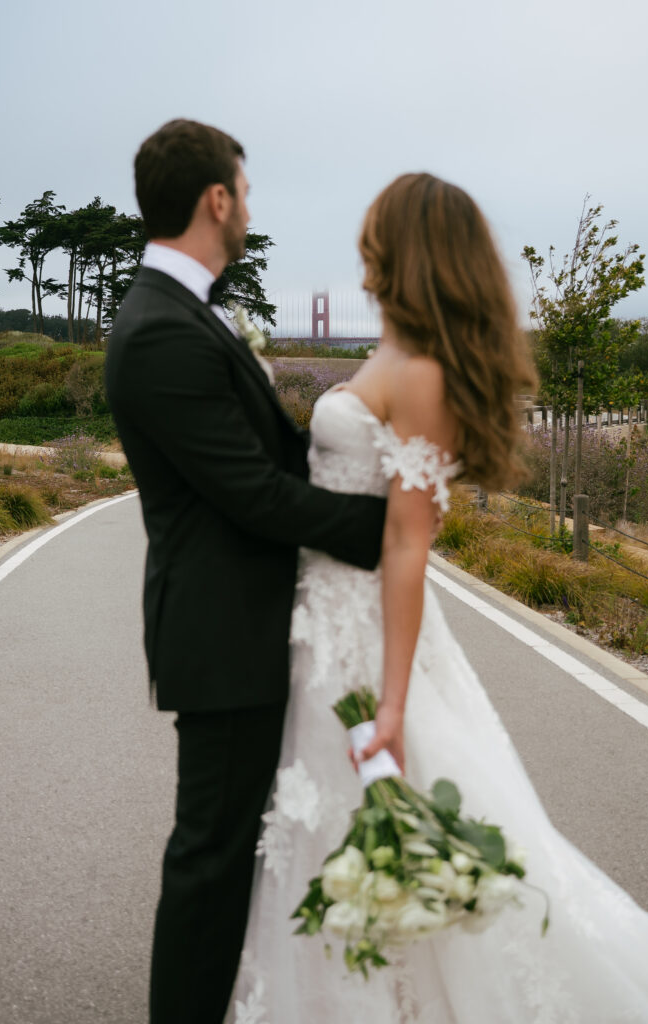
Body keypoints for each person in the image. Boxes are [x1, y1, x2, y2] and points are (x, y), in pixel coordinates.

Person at [225, 174, 648, 1022]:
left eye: (373, 238)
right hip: (319, 624)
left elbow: (407, 545)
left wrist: (391, 701)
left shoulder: (420, 374)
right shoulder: (399, 352)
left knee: (381, 822)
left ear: (407, 250)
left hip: (363, 637)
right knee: (334, 831)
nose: (361, 255)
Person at [104, 119, 389, 1024]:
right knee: (210, 859)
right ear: (216, 199)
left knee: (231, 854)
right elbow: (253, 495)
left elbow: (273, 463)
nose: (251, 208)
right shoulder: (160, 329)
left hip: (246, 625)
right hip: (221, 634)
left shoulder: (185, 311)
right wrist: (386, 527)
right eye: (247, 191)